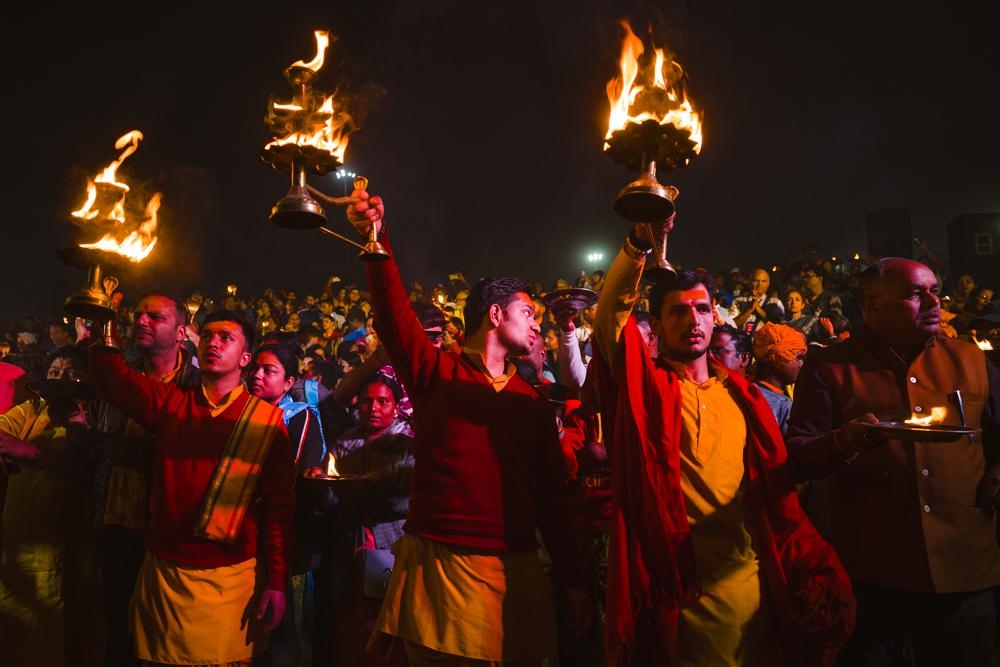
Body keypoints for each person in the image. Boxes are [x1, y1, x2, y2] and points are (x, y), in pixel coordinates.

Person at [345, 187, 591, 665]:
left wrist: (572, 580)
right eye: (528, 314)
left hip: (515, 570)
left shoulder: (533, 404)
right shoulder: (437, 372)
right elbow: (395, 317)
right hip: (440, 569)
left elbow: (552, 500)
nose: (537, 326)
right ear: (495, 315)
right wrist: (378, 238)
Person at [594, 224, 855, 666]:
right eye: (677, 312)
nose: (691, 320)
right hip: (676, 592)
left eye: (701, 309)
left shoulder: (745, 396)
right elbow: (611, 320)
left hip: (749, 588)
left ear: (715, 317)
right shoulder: (646, 386)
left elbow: (778, 495)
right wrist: (638, 244)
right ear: (655, 325)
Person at [786, 257, 1000, 666]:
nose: (933, 302)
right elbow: (798, 456)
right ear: (870, 305)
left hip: (963, 568)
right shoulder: (830, 366)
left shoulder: (971, 360)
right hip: (871, 574)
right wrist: (840, 442)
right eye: (913, 294)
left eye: (935, 290)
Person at [88, 308, 295, 666]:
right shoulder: (173, 402)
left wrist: (276, 580)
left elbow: (278, 508)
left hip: (232, 579)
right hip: (164, 574)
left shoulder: (265, 423)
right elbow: (114, 381)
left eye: (226, 337)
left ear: (245, 358)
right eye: (209, 335)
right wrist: (103, 316)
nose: (214, 342)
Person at [88, 292, 201, 667]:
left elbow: (199, 454)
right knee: (116, 631)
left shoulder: (198, 386)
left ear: (181, 332)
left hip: (169, 528)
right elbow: (96, 437)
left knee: (166, 636)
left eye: (155, 317)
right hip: (115, 520)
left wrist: (135, 453)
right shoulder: (116, 372)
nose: (141, 321)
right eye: (138, 315)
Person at [0, 345, 105, 667]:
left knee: (77, 619)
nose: (61, 379)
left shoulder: (99, 417)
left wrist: (30, 453)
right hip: (26, 531)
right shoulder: (31, 409)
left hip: (78, 539)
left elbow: (85, 467)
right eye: (55, 372)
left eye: (72, 373)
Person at [310, 374, 415, 667]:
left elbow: (408, 502)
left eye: (383, 401)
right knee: (350, 624)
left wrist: (372, 485)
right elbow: (331, 502)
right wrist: (321, 485)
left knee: (390, 622)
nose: (374, 408)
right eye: (368, 401)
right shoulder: (347, 442)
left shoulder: (406, 443)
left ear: (395, 406)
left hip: (392, 544)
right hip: (349, 545)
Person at [248, 342, 328, 667]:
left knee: (282, 634)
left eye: (269, 371)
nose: (258, 375)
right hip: (246, 536)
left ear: (288, 382)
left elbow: (286, 477)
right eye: (255, 368)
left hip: (284, 534)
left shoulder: (298, 416)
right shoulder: (240, 411)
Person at [751, 322, 807, 433]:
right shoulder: (783, 404)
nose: (802, 364)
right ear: (778, 357)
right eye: (799, 358)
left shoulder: (745, 388)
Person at [729, 267, 784, 335]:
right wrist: (750, 309)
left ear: (768, 284)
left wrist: (758, 309)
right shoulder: (739, 301)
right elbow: (731, 326)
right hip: (741, 343)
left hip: (765, 344)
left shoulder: (775, 303)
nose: (759, 284)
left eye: (763, 281)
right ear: (749, 282)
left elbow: (779, 327)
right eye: (756, 280)